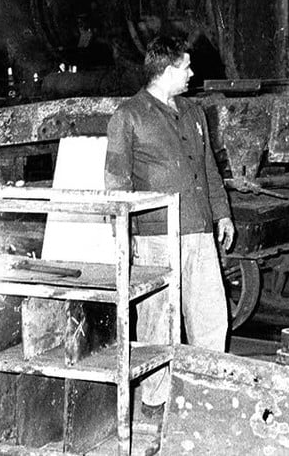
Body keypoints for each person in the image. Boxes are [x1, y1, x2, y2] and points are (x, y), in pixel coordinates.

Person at [104, 36, 235, 418]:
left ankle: (208, 390)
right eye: (186, 66)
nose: (192, 73)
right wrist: (123, 237)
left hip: (198, 228)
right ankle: (156, 399)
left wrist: (221, 213)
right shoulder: (128, 115)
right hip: (156, 236)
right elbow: (116, 183)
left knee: (211, 314)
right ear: (165, 70)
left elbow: (208, 167)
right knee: (158, 319)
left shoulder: (193, 112)